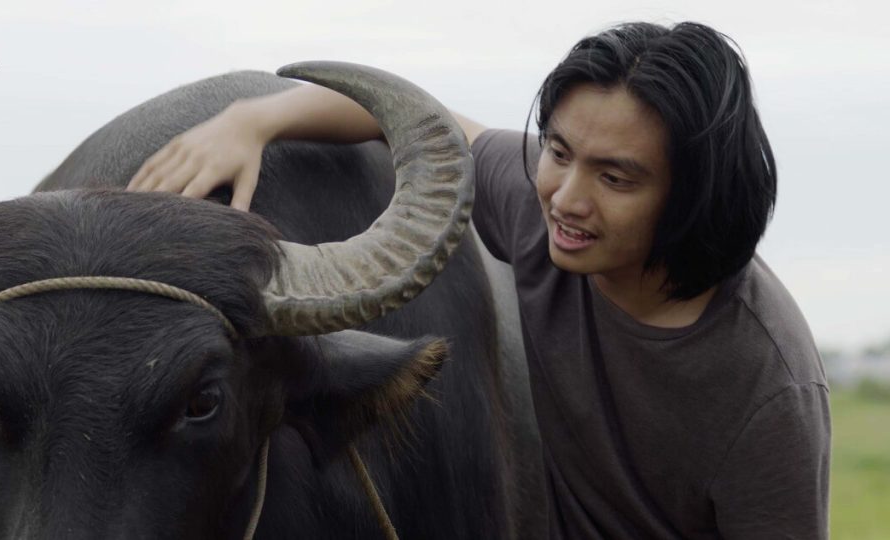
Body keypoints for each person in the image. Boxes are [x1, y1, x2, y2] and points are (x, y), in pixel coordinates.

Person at [128, 21, 830, 539]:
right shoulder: (545, 211)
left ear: (694, 194)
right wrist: (254, 119)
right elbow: (420, 126)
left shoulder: (765, 387)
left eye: (616, 177)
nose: (566, 197)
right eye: (558, 150)